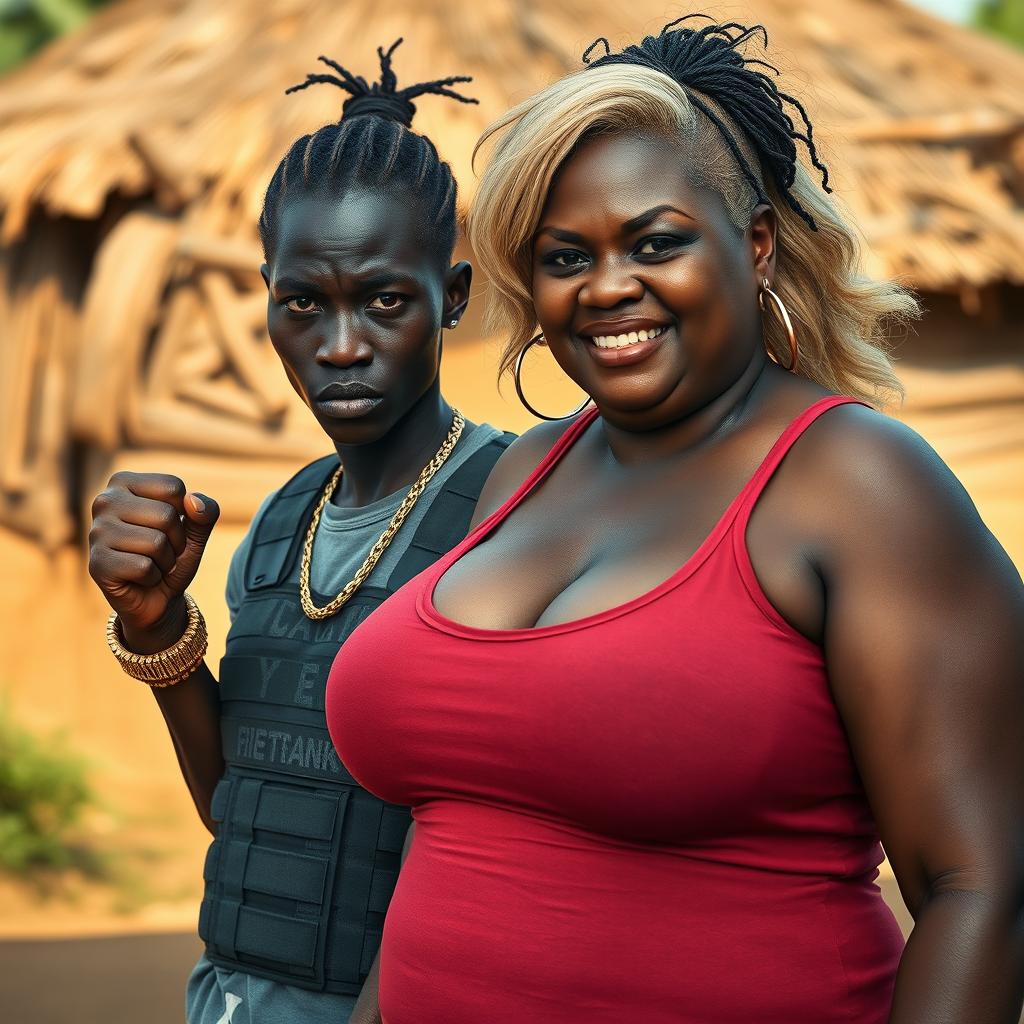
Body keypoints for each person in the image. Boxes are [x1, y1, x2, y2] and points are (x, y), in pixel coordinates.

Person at [325, 19, 1024, 1024]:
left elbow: (981, 886)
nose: (607, 285)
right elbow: (464, 837)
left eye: (654, 242)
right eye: (566, 256)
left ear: (753, 244)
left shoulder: (856, 484)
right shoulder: (524, 472)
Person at [88, 40, 513, 1024]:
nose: (340, 344)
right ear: (267, 296)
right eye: (302, 304)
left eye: (385, 300)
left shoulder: (507, 505)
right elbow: (248, 808)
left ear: (452, 297)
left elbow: (492, 847)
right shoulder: (281, 521)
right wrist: (156, 629)